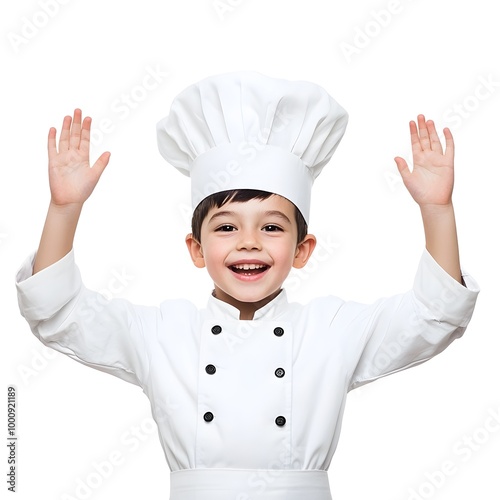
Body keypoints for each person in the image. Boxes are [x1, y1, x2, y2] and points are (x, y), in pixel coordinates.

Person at [16, 71, 479, 500]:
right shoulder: (162, 333)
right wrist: (64, 209)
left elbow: (432, 317)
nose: (250, 243)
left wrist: (438, 212)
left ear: (303, 249)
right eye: (226, 228)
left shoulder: (331, 329)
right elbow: (59, 310)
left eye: (273, 228)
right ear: (196, 249)